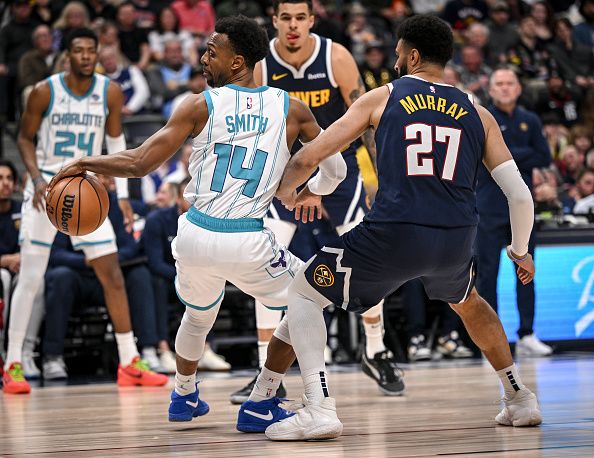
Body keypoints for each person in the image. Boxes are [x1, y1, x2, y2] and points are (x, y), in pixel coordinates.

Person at [50, 15, 346, 430]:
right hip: (246, 239)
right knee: (312, 296)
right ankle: (270, 399)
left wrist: (83, 161)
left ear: (238, 61)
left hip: (192, 234)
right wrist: (316, 190)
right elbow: (335, 166)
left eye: (212, 51)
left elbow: (138, 163)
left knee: (198, 314)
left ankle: (184, 394)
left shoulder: (197, 104)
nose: (203, 58)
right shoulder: (291, 108)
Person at [266, 14, 542, 440]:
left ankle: (318, 407)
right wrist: (520, 250)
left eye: (397, 54)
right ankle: (519, 397)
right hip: (454, 239)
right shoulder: (478, 111)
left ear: (411, 55)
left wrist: (288, 194)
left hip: (392, 235)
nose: (395, 62)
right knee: (469, 302)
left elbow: (309, 157)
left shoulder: (383, 97)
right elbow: (520, 196)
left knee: (304, 290)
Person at [235, 0, 405, 405]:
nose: (293, 26)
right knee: (261, 262)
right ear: (273, 21)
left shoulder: (337, 57)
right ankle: (266, 368)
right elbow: (253, 128)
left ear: (312, 21)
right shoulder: (262, 65)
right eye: (285, 18)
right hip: (283, 172)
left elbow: (367, 121)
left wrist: (378, 178)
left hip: (339, 168)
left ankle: (375, 349)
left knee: (370, 257)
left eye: (300, 18)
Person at [2, 28, 167, 395]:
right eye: (79, 51)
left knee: (112, 273)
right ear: (67, 55)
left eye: (92, 51)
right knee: (31, 276)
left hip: (85, 188)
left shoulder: (109, 90)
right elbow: (24, 138)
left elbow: (116, 142)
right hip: (47, 186)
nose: (87, 57)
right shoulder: (45, 91)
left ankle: (129, 361)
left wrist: (122, 194)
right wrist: (35, 179)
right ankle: (12, 362)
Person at [476, 67, 553, 357]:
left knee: (525, 271)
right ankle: (491, 339)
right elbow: (480, 157)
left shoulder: (529, 120)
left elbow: (544, 156)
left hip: (521, 209)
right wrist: (518, 154)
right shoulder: (483, 117)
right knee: (487, 277)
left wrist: (504, 153)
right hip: (487, 208)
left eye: (510, 83)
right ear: (491, 89)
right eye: (500, 83)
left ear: (519, 88)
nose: (505, 88)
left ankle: (527, 333)